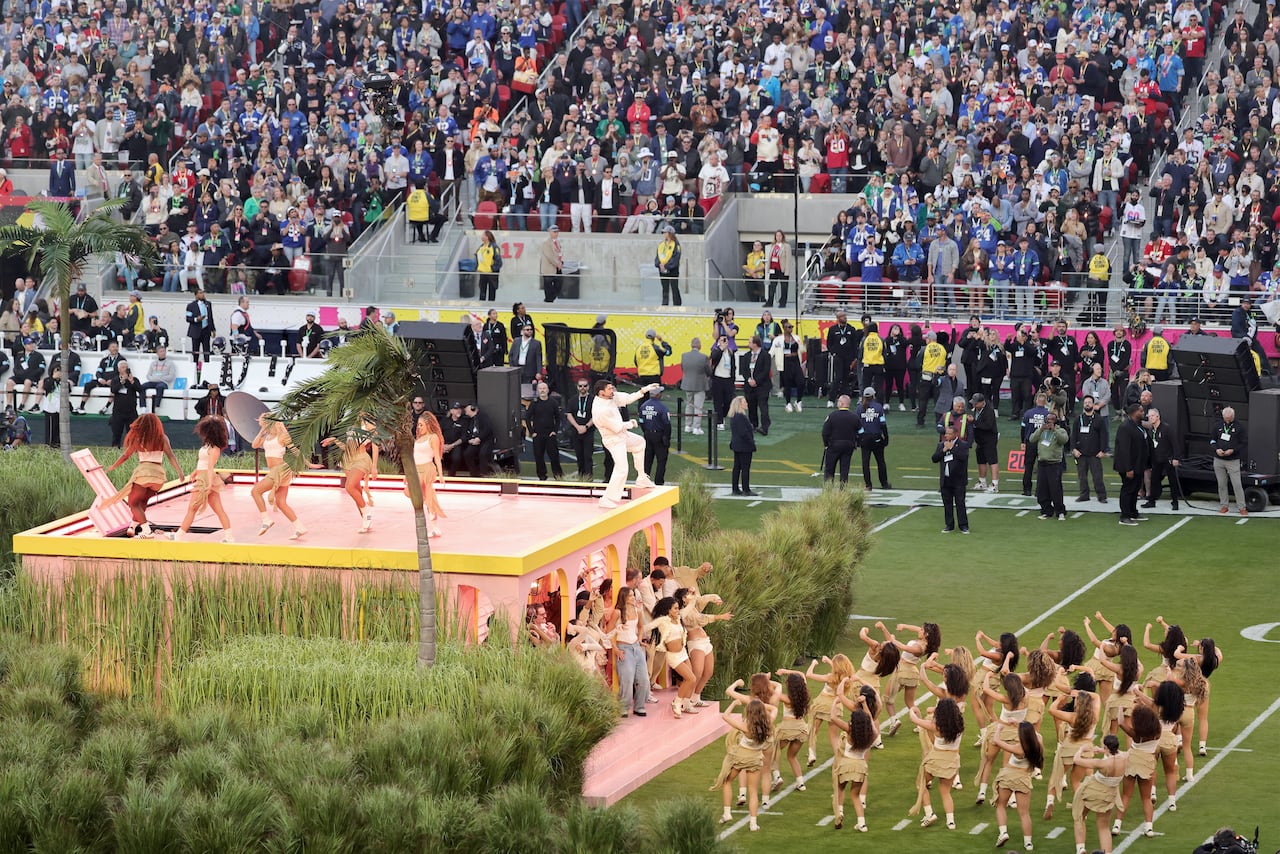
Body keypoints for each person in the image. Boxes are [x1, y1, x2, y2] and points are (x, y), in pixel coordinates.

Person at [101, 413, 183, 539]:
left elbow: (125, 455)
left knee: (133, 503)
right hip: (159, 476)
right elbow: (171, 455)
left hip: (144, 474)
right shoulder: (162, 438)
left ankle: (146, 531)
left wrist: (113, 466)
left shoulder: (137, 438)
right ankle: (132, 527)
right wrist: (180, 472)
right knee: (143, 501)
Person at [592, 379, 660, 508]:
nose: (613, 391)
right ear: (601, 392)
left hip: (621, 436)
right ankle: (606, 498)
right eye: (610, 389)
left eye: (612, 388)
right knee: (622, 469)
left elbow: (627, 398)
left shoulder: (610, 397)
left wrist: (644, 390)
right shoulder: (600, 410)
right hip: (613, 440)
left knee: (640, 443)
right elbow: (617, 427)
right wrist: (631, 424)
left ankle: (641, 478)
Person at [168, 416, 234, 543]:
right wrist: (196, 471)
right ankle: (229, 536)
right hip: (202, 476)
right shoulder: (207, 445)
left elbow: (210, 467)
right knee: (217, 509)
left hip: (206, 479)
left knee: (193, 508)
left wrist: (208, 484)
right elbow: (202, 462)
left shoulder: (214, 449)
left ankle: (179, 536)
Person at [908, 697, 965, 831]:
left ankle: (929, 814)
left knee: (921, 783)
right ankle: (951, 822)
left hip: (936, 758)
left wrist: (912, 709)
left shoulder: (936, 726)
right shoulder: (960, 725)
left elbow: (915, 720)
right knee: (945, 791)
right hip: (952, 759)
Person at [250, 414, 308, 540]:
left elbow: (295, 451)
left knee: (255, 491)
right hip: (277, 471)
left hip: (280, 470)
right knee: (281, 502)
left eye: (263, 423)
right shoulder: (267, 437)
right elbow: (254, 445)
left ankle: (266, 520)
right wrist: (262, 431)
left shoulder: (282, 435)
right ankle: (299, 527)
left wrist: (308, 463)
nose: (262, 425)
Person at [320, 416, 378, 533]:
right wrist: (334, 440)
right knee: (357, 492)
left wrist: (374, 466)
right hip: (348, 459)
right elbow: (348, 447)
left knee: (349, 486)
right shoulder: (351, 422)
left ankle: (367, 513)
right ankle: (366, 521)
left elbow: (375, 446)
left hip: (361, 459)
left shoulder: (369, 425)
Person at [405, 411, 446, 538]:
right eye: (418, 425)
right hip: (416, 469)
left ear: (428, 424)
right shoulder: (418, 439)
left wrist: (440, 475)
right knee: (413, 493)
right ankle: (434, 524)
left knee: (423, 493)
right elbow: (414, 457)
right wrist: (407, 474)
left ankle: (431, 517)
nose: (419, 427)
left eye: (421, 425)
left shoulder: (433, 437)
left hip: (427, 469)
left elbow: (437, 458)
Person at [1115, 403, 1151, 526]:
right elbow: (1124, 450)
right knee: (1128, 489)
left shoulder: (1138, 425)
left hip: (1138, 464)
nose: (1143, 413)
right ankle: (1124, 516)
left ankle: (1133, 512)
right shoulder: (1126, 427)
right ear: (1134, 413)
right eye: (1141, 411)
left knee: (1135, 489)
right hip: (1129, 466)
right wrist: (1128, 468)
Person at [1030, 411, 1069, 521]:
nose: (1049, 422)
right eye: (1047, 420)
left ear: (1055, 421)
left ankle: (1060, 511)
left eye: (1051, 420)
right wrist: (1041, 429)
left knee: (1055, 489)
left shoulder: (1060, 430)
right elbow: (1032, 439)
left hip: (1054, 464)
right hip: (1042, 464)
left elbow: (1064, 440)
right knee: (1042, 490)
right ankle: (1046, 510)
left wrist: (1054, 430)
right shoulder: (1042, 431)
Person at [1072, 394, 1111, 503]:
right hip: (1081, 453)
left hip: (1095, 453)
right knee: (1082, 477)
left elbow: (1104, 435)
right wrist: (1074, 449)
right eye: (1085, 403)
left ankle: (1102, 496)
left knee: (1097, 477)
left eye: (1089, 402)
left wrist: (1103, 450)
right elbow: (1073, 435)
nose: (1087, 404)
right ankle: (1084, 495)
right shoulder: (1078, 419)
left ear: (1093, 405)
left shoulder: (1099, 419)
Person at [933, 423, 970, 534]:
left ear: (955, 434)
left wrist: (952, 448)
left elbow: (963, 457)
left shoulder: (963, 445)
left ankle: (963, 525)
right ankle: (949, 525)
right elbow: (934, 459)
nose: (946, 436)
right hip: (946, 479)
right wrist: (943, 450)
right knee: (947, 504)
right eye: (946, 434)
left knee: (960, 503)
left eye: (949, 434)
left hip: (958, 480)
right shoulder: (941, 445)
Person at [1210, 406, 1247, 516]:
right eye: (1226, 418)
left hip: (1233, 460)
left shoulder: (1239, 427)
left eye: (1229, 419)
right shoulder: (1217, 426)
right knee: (1221, 484)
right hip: (1219, 460)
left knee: (1237, 484)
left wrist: (1233, 450)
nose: (1227, 420)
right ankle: (1224, 505)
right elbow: (1212, 440)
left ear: (1233, 417)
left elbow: (1243, 443)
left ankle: (1242, 507)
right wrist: (1217, 449)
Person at [524, 381, 564, 481]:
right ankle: (542, 476)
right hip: (538, 435)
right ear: (538, 391)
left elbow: (558, 418)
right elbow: (527, 418)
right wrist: (532, 432)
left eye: (544, 388)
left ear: (548, 390)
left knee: (554, 457)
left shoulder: (553, 403)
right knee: (538, 457)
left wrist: (555, 431)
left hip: (550, 434)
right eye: (540, 389)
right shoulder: (534, 403)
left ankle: (558, 476)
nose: (542, 390)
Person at [1144, 408, 1181, 510]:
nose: (1151, 418)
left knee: (1172, 480)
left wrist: (1176, 457)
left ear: (1158, 416)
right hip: (1156, 459)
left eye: (1152, 416)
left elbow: (1175, 444)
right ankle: (1151, 501)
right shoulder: (1151, 430)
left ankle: (1175, 501)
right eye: (1149, 416)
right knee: (1154, 480)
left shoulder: (1167, 428)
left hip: (1168, 458)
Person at [856, 387, 891, 491]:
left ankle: (868, 485)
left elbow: (857, 425)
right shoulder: (879, 407)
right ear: (873, 396)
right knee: (880, 461)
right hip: (876, 438)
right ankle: (884, 483)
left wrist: (859, 438)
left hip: (864, 439)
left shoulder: (859, 408)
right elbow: (883, 423)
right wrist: (886, 437)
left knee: (865, 463)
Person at [821, 394, 859, 486]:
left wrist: (826, 444)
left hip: (834, 445)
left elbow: (825, 432)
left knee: (829, 470)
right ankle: (843, 490)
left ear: (841, 403)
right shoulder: (854, 416)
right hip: (848, 446)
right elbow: (860, 431)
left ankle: (828, 490)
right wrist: (856, 443)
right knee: (844, 470)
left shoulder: (832, 416)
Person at [1019, 392, 1051, 497]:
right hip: (1043, 443)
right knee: (1042, 467)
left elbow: (1023, 429)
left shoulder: (1028, 413)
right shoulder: (1048, 414)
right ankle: (1039, 491)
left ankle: (1026, 489)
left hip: (1030, 442)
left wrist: (1023, 442)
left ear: (1036, 401)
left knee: (1028, 467)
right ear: (1045, 402)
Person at [738, 335, 772, 436]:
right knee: (751, 407)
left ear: (755, 344)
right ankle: (753, 425)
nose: (748, 344)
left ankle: (765, 427)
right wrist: (749, 380)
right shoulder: (747, 356)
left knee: (763, 407)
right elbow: (744, 370)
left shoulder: (765, 355)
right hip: (749, 386)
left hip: (762, 386)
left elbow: (766, 370)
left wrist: (756, 380)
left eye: (749, 342)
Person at [638, 386, 671, 485]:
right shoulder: (662, 407)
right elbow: (667, 424)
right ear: (658, 395)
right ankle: (659, 481)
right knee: (661, 460)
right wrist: (666, 437)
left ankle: (645, 479)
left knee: (647, 459)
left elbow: (641, 421)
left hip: (648, 434)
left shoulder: (643, 405)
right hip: (659, 435)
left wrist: (645, 431)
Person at [565, 378, 596, 478]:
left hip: (589, 432)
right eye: (580, 386)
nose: (583, 388)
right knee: (579, 456)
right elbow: (569, 414)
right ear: (577, 387)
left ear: (588, 387)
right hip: (576, 432)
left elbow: (596, 415)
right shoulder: (572, 400)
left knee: (588, 456)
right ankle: (581, 478)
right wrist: (577, 427)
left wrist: (586, 426)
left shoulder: (593, 400)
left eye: (585, 386)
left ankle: (589, 479)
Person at [679, 338, 710, 435]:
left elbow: (683, 368)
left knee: (689, 405)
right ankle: (696, 427)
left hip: (687, 384)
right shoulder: (703, 357)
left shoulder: (684, 356)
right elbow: (708, 371)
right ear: (699, 345)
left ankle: (688, 426)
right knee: (698, 406)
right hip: (699, 384)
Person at [108, 361, 143, 448]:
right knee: (116, 432)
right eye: (123, 367)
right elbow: (113, 390)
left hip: (131, 411)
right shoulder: (115, 380)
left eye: (126, 367)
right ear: (119, 369)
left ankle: (132, 449)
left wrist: (132, 382)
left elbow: (140, 389)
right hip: (118, 411)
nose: (125, 369)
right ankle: (115, 448)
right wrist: (122, 381)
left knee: (132, 433)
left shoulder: (134, 379)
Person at [916, 332, 947, 428]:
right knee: (938, 400)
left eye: (926, 338)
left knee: (923, 400)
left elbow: (918, 363)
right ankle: (939, 421)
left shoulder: (924, 349)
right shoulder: (942, 349)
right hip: (939, 377)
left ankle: (920, 421)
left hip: (926, 376)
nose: (925, 340)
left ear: (929, 339)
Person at [727, 395, 756, 496]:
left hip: (737, 445)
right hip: (744, 446)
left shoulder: (734, 416)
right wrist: (751, 442)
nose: (746, 403)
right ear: (740, 404)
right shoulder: (740, 417)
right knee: (745, 468)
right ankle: (746, 489)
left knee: (737, 467)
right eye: (744, 402)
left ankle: (735, 488)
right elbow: (744, 432)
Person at [971, 393, 1000, 493]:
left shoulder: (989, 411)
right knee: (981, 460)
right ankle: (982, 482)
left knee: (992, 460)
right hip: (980, 440)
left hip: (989, 439)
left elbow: (987, 426)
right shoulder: (976, 409)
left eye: (975, 403)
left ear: (982, 403)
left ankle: (995, 484)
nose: (974, 405)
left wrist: (974, 421)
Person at [7, 337, 45, 412]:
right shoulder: (20, 355)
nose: (32, 345)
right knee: (9, 382)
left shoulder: (39, 356)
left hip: (32, 377)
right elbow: (15, 368)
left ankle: (22, 404)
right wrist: (20, 374)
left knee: (27, 382)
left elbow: (41, 368)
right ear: (25, 346)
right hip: (20, 376)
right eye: (29, 344)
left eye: (32, 344)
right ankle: (9, 404)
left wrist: (31, 374)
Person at [139, 345, 177, 413]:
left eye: (164, 351)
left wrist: (160, 378)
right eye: (161, 351)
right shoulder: (153, 363)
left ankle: (156, 407)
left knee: (160, 387)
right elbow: (148, 375)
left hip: (163, 382)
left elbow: (171, 376)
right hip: (153, 381)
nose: (163, 353)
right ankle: (143, 406)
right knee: (142, 387)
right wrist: (153, 378)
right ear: (157, 353)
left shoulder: (170, 363)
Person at [463, 402, 497, 477]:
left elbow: (488, 429)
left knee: (483, 454)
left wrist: (479, 438)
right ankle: (474, 474)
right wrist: (470, 440)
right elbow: (467, 433)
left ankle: (483, 474)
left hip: (485, 440)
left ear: (472, 408)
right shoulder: (470, 420)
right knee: (467, 454)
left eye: (467, 409)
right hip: (474, 441)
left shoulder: (483, 416)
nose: (465, 411)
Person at [655, 225, 683, 307]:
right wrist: (659, 265)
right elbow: (657, 256)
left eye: (665, 232)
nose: (664, 234)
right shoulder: (661, 244)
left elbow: (676, 258)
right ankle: (665, 304)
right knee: (665, 288)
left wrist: (667, 266)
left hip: (673, 270)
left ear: (670, 233)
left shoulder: (676, 245)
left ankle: (677, 304)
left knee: (674, 287)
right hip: (662, 270)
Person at [763, 229, 791, 309]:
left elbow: (788, 259)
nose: (778, 237)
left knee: (784, 286)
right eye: (777, 236)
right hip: (773, 268)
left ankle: (783, 302)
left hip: (782, 269)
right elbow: (770, 257)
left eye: (780, 236)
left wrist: (787, 271)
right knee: (772, 286)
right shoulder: (773, 245)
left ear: (782, 237)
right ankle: (770, 301)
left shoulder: (786, 246)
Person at [185, 287, 215, 361]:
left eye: (203, 293)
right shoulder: (191, 306)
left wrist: (213, 329)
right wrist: (196, 319)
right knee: (195, 350)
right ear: (196, 295)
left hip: (206, 330)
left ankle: (207, 366)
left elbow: (211, 317)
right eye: (200, 293)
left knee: (206, 350)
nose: (203, 294)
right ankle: (195, 366)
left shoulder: (208, 304)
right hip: (196, 330)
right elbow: (188, 318)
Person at [475, 230, 502, 301]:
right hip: (482, 272)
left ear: (487, 237)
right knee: (482, 291)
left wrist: (492, 269)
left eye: (483, 235)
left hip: (491, 274)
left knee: (492, 292)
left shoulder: (494, 247)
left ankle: (491, 307)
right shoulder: (481, 247)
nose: (481, 236)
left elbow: (498, 261)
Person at [540, 225, 564, 302]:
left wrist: (560, 262)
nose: (556, 234)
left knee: (559, 284)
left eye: (557, 232)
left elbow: (559, 253)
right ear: (550, 232)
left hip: (557, 267)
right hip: (549, 269)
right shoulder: (546, 243)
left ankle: (551, 299)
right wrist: (557, 264)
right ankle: (548, 301)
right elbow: (549, 256)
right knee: (548, 287)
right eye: (554, 232)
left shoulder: (557, 242)